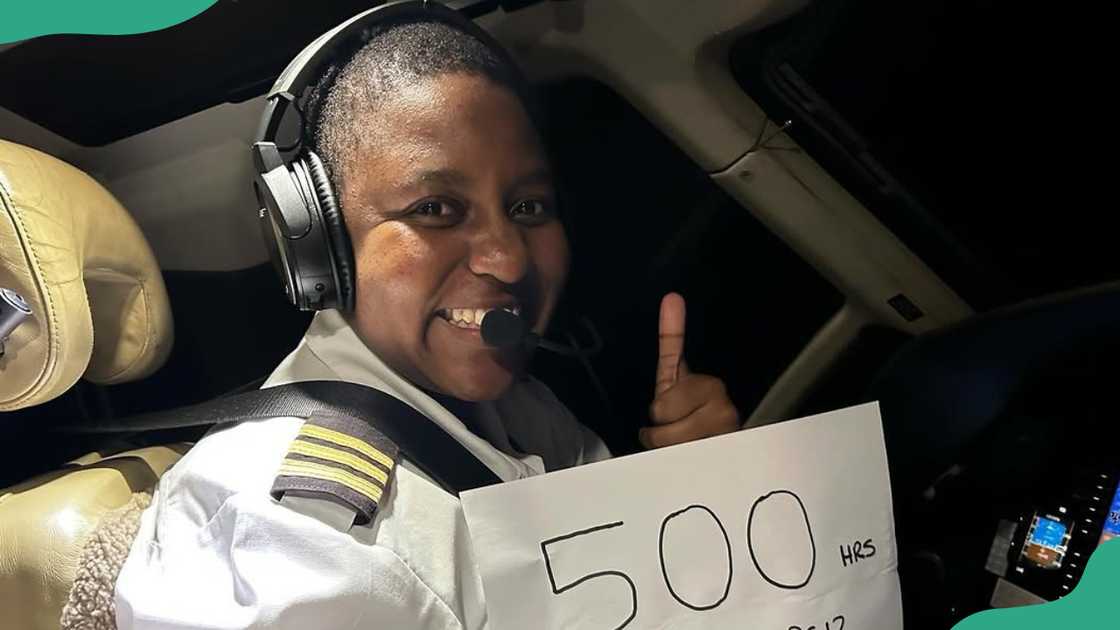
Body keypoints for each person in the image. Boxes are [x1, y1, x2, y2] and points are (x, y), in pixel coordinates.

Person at [113, 11, 742, 630]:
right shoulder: (290, 536)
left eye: (528, 205)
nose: (508, 257)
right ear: (319, 244)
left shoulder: (522, 412)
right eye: (436, 207)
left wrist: (682, 489)